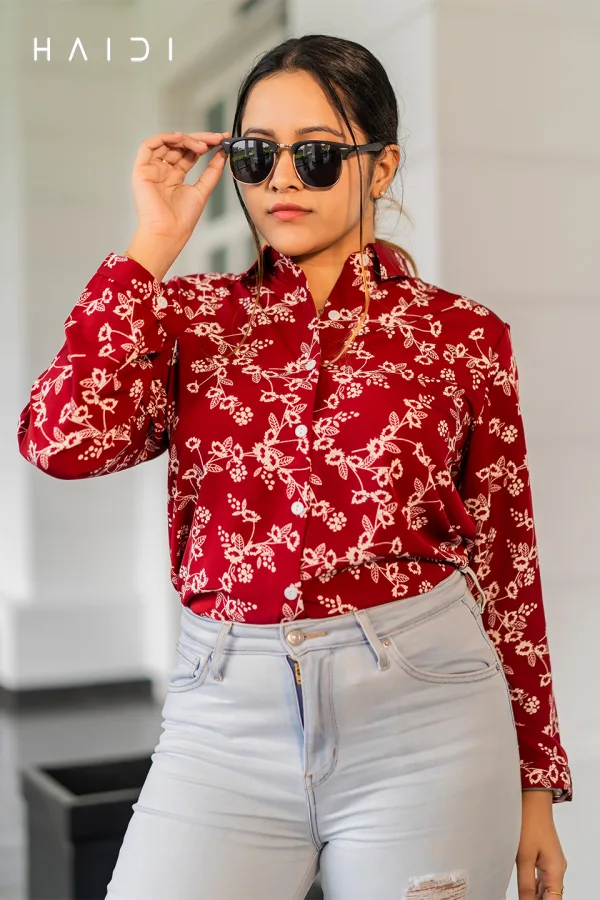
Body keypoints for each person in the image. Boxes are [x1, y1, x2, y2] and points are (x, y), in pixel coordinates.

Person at [17, 32, 571, 900]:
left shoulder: (464, 337)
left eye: (315, 156)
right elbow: (59, 441)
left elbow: (507, 558)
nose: (280, 179)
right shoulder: (190, 318)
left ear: (380, 168)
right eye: (255, 153)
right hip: (223, 718)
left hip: (430, 716)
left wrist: (538, 784)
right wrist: (150, 245)